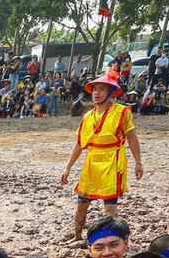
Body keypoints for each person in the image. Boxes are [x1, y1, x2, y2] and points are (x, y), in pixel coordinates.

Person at [60, 73, 144, 244]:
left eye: (102, 89)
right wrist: (68, 167)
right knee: (82, 202)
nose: (96, 93)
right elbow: (79, 143)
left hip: (112, 159)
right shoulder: (88, 116)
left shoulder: (121, 112)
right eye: (95, 89)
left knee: (110, 206)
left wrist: (138, 162)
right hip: (92, 161)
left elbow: (131, 136)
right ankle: (77, 236)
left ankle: (118, 240)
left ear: (110, 92)